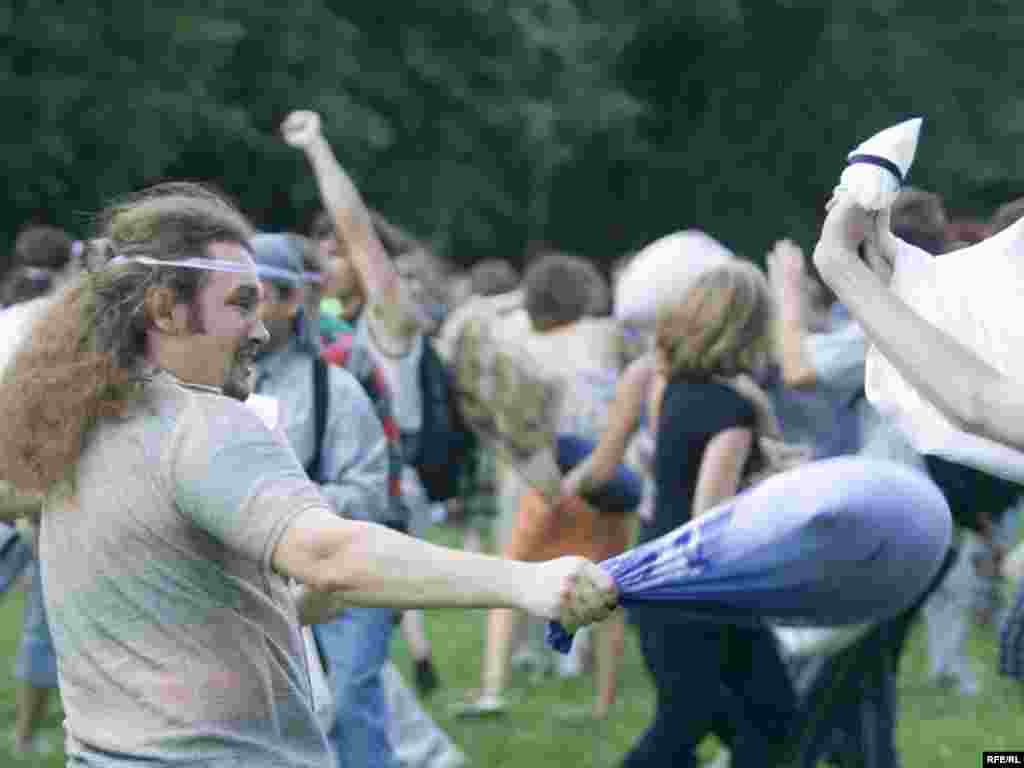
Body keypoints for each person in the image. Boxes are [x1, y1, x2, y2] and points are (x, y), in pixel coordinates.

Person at [0, 182, 618, 766]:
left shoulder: (73, 422)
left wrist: (279, 604)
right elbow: (331, 551)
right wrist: (527, 582)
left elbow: (156, 595)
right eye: (240, 303)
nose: (262, 326)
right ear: (165, 309)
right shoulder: (204, 423)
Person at [621, 260, 797, 768]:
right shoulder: (730, 409)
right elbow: (709, 518)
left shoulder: (677, 387)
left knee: (734, 722)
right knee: (727, 721)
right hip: (697, 589)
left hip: (657, 575)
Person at [456, 251, 631, 722]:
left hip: (545, 482)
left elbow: (470, 325)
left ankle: (494, 688)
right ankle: (602, 702)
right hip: (604, 480)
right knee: (611, 588)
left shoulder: (518, 339)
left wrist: (514, 297)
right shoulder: (606, 337)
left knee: (511, 582)